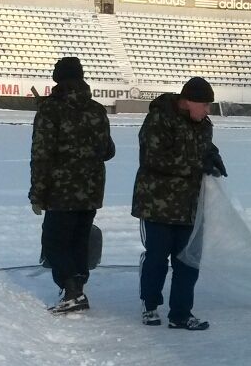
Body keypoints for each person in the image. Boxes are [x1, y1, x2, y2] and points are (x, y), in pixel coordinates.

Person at [131, 76, 226, 330]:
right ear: (187, 102)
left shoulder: (204, 124)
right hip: (157, 204)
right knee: (157, 259)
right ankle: (150, 305)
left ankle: (181, 313)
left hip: (190, 206)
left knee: (188, 261)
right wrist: (197, 164)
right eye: (204, 105)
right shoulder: (159, 119)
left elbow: (201, 146)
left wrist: (213, 155)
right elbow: (153, 158)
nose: (208, 111)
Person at [30, 56, 116, 314]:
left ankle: (71, 291)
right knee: (80, 239)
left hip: (60, 190)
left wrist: (37, 193)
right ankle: (77, 286)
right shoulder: (97, 110)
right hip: (91, 189)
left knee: (55, 242)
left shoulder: (50, 110)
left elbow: (41, 154)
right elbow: (108, 151)